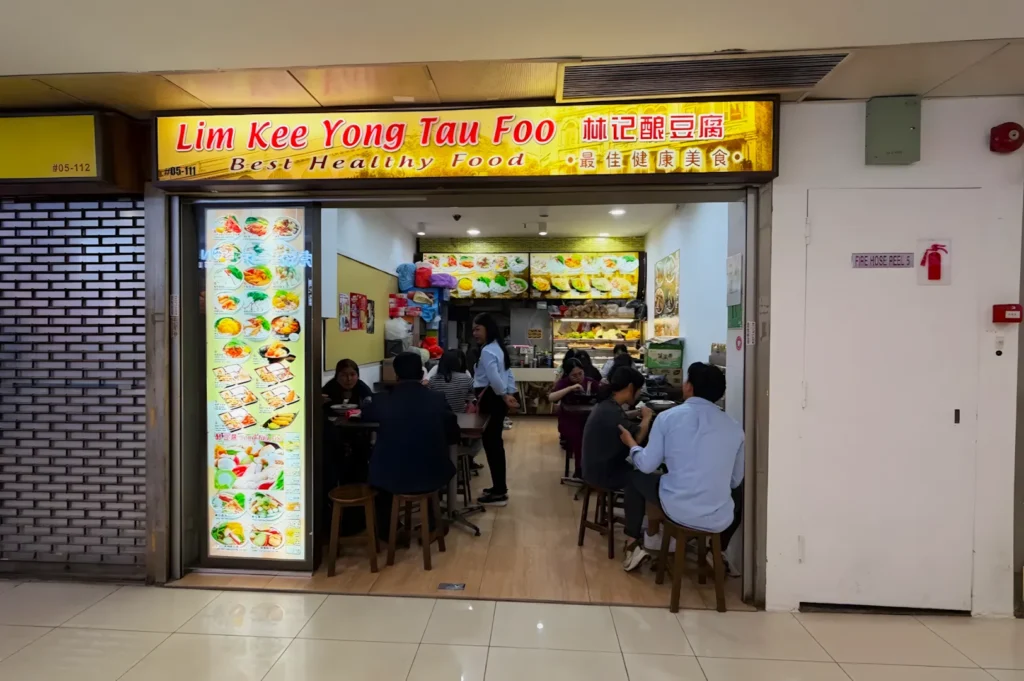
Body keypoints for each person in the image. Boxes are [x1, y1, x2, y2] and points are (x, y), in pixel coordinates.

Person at [617, 362, 744, 572]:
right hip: (719, 516)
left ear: (689, 387)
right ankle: (717, 549)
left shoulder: (668, 418)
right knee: (740, 493)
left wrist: (632, 445)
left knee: (635, 476)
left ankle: (634, 544)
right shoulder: (734, 427)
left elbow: (647, 465)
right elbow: (734, 481)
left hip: (677, 508)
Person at [364, 352, 460, 540]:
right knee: (437, 468)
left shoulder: (381, 401)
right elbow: (453, 435)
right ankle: (433, 525)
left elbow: (364, 415)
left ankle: (388, 531)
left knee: (379, 474)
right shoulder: (437, 399)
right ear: (421, 372)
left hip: (390, 476)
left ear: (396, 374)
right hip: (430, 473)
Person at [472, 313, 519, 506]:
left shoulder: (487, 351)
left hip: (490, 398)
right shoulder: (497, 348)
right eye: (473, 329)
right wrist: (509, 393)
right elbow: (508, 373)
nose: (474, 333)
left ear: (487, 329)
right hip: (496, 398)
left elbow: (493, 377)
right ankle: (498, 486)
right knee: (494, 444)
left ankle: (499, 490)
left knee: (492, 444)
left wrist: (503, 394)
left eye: (477, 329)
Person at [582, 367, 653, 491]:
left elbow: (620, 417)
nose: (640, 393)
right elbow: (637, 438)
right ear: (631, 387)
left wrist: (636, 412)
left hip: (593, 469)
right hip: (604, 474)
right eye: (639, 389)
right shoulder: (611, 411)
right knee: (647, 475)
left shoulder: (607, 403)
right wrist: (646, 418)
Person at [548, 358, 600, 479]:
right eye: (574, 375)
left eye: (580, 373)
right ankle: (580, 469)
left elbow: (603, 395)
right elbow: (551, 398)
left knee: (597, 433)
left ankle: (593, 469)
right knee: (580, 434)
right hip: (569, 420)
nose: (578, 377)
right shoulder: (564, 383)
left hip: (588, 418)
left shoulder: (590, 382)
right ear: (568, 374)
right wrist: (570, 388)